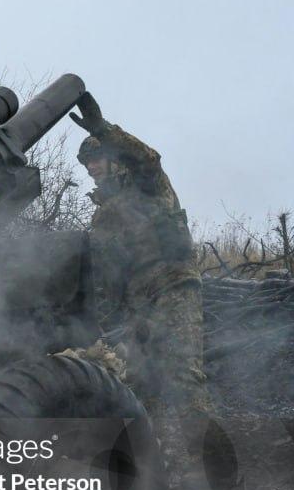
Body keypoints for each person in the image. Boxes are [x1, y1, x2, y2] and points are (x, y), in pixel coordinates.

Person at [70, 94, 212, 424]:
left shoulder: (146, 184)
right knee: (138, 388)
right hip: (137, 307)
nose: (91, 167)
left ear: (113, 158)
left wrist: (104, 130)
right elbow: (105, 273)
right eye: (86, 162)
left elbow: (147, 159)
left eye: (97, 158)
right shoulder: (103, 215)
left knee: (183, 379)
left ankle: (214, 466)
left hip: (172, 287)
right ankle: (156, 466)